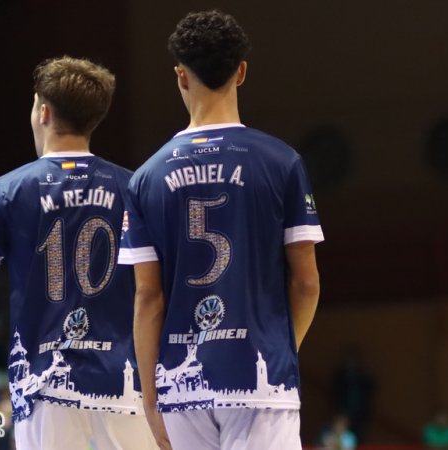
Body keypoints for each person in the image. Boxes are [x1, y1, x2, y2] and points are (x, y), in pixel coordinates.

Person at [0, 56, 156, 450]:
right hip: (125, 382)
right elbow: (155, 291)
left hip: (44, 388)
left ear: (43, 112)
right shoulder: (134, 188)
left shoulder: (7, 190)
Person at [119, 10, 323, 450]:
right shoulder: (282, 162)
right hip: (258, 378)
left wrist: (151, 399)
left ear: (180, 76)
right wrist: (279, 352)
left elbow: (148, 298)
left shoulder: (145, 178)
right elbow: (306, 283)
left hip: (181, 387)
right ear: (242, 72)